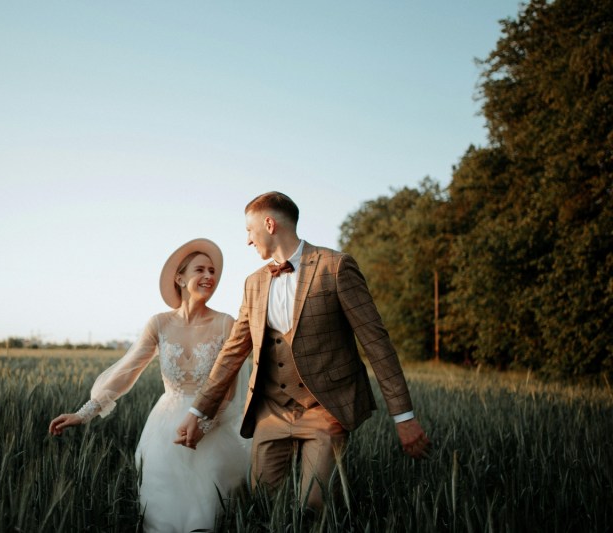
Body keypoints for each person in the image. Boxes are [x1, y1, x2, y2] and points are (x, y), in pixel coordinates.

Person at [176, 192, 431, 510]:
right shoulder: (253, 283)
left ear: (269, 224)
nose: (247, 241)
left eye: (249, 230)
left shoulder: (336, 267)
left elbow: (377, 344)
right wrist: (199, 412)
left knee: (315, 503)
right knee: (263, 503)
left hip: (325, 409)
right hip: (270, 412)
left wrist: (404, 417)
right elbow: (232, 352)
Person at [49, 238, 249, 533]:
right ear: (179, 278)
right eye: (200, 270)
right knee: (162, 515)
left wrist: (203, 425)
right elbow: (127, 372)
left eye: (212, 271)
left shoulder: (225, 323)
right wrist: (85, 413)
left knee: (207, 515)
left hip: (212, 428)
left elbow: (227, 385)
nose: (209, 277)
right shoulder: (159, 323)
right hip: (164, 432)